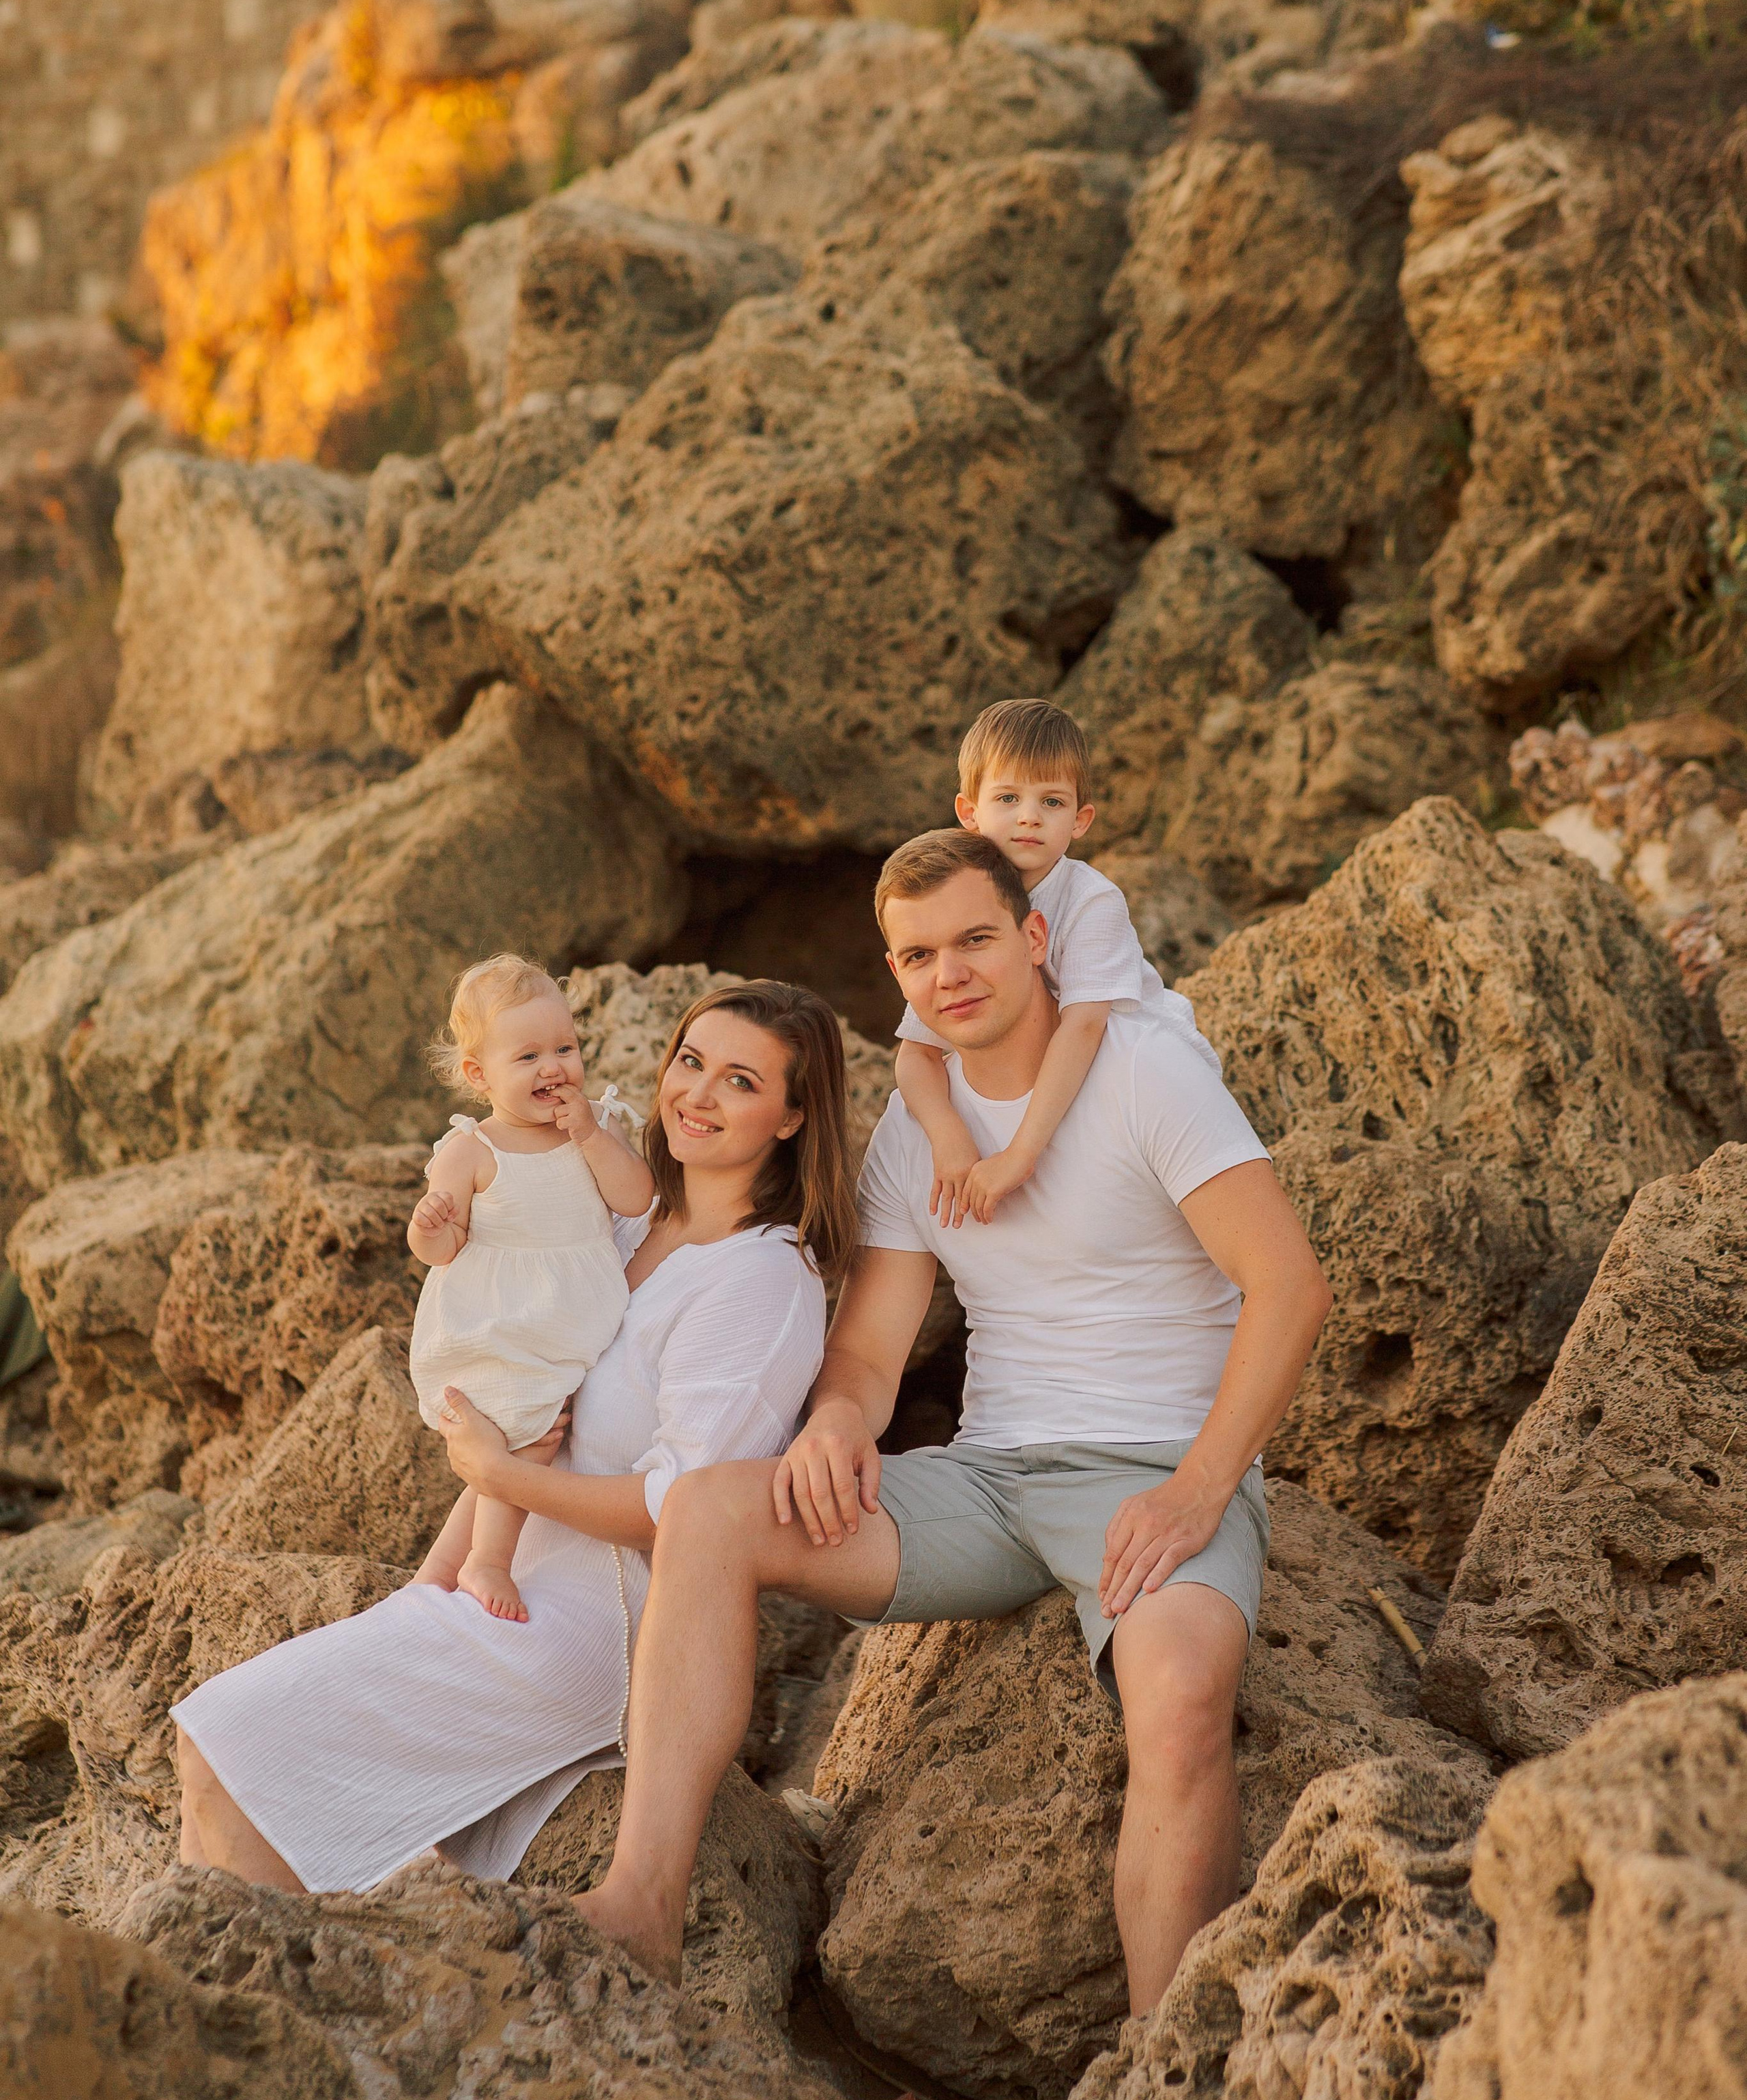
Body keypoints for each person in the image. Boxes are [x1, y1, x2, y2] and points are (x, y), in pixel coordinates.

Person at [576, 830, 1332, 2012]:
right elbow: (871, 1351)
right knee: (712, 1512)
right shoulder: (911, 1134)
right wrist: (838, 1420)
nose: (951, 974)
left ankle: (1161, 2063)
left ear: (1033, 938)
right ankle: (641, 1905)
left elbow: (1290, 1286)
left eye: (975, 939)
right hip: (987, 1484)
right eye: (920, 955)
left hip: (1155, 1466)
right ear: (896, 974)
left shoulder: (1145, 1073)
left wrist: (1197, 1491)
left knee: (1183, 1698)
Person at [173, 979, 859, 1899]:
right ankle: (229, 1969)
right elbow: (522, 1415)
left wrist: (499, 1476)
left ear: (793, 1116)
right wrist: (429, 1582)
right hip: (502, 1584)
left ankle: (258, 1964)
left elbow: (686, 1513)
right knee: (211, 1758)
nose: (697, 1095)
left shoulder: (759, 1284)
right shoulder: (619, 1222)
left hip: (605, 1624)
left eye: (741, 1081)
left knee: (231, 1749)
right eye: (690, 1062)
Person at [894, 696, 1215, 1227]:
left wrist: (1020, 1153)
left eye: (1052, 801)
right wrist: (948, 1135)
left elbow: (1085, 1025)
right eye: (1008, 798)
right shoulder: (964, 901)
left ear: (1080, 820)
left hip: (1135, 1074)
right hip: (1052, 1072)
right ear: (969, 813)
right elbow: (915, 1054)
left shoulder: (1091, 900)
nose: (1029, 816)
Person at [405, 953, 655, 1622]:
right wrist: (429, 1227)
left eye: (565, 1049)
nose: (553, 1068)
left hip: (567, 1320)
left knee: (526, 1440)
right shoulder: (471, 1150)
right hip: (499, 1325)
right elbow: (444, 1251)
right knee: (529, 1438)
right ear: (478, 1075)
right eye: (528, 1057)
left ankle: (437, 1572)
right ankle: (487, 1562)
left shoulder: (595, 1126)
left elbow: (636, 1198)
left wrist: (592, 1136)